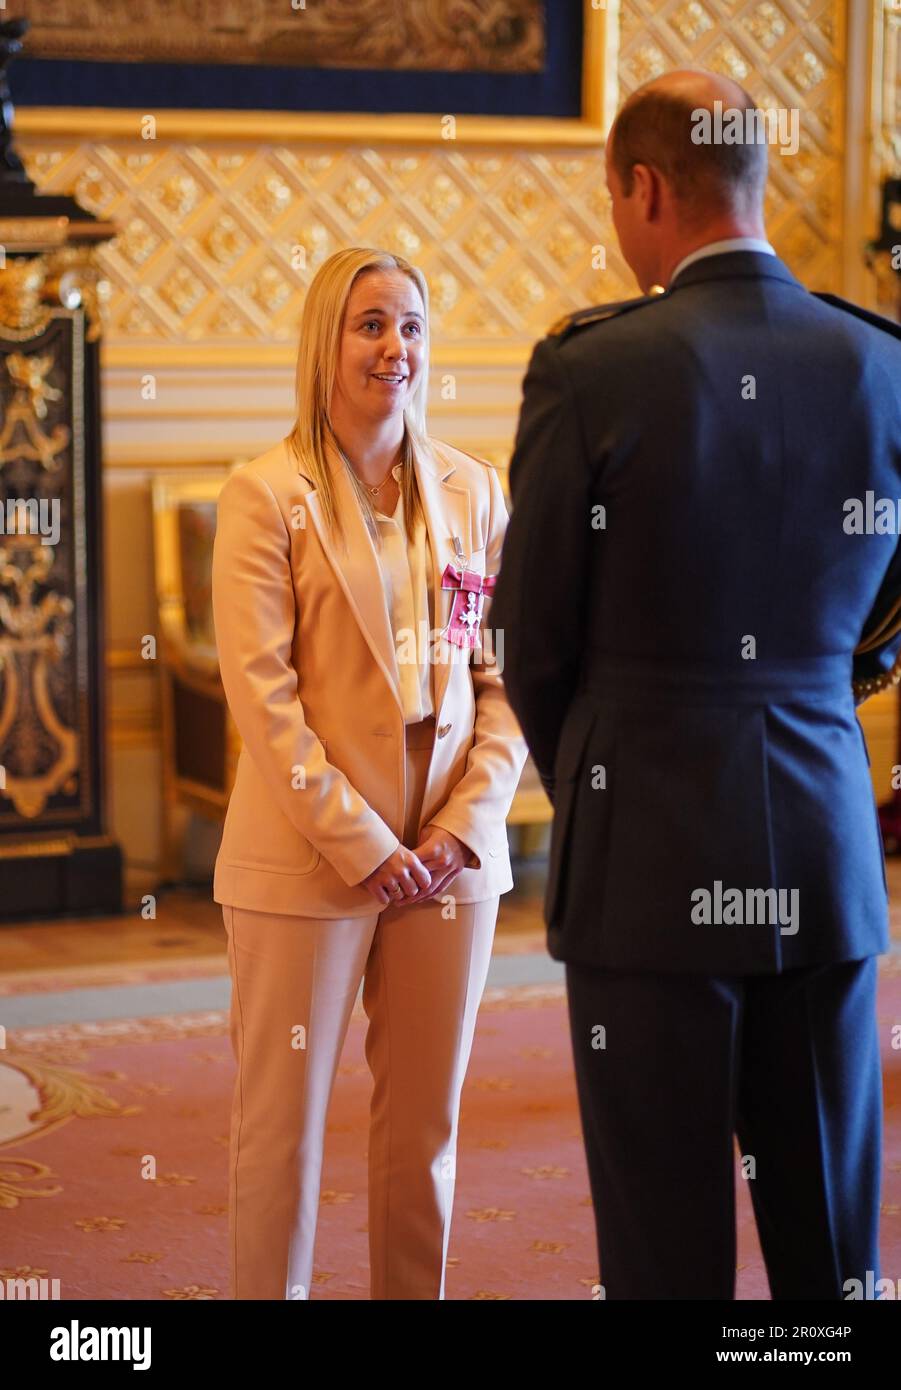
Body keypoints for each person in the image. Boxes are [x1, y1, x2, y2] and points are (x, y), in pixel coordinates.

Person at [489, 68, 901, 1299]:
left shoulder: (591, 368)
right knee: (831, 1251)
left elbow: (532, 637)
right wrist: (829, 684)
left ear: (645, 187)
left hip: (647, 860)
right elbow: (892, 603)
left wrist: (601, 779)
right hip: (822, 849)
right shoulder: (877, 361)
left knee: (666, 1247)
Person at [211, 246, 528, 1300]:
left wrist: (462, 831)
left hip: (447, 860)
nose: (396, 346)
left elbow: (504, 683)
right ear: (326, 343)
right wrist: (366, 845)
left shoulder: (475, 491)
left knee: (423, 1136)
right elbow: (264, 701)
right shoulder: (265, 496)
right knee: (282, 1133)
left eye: (411, 325)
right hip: (308, 859)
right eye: (370, 324)